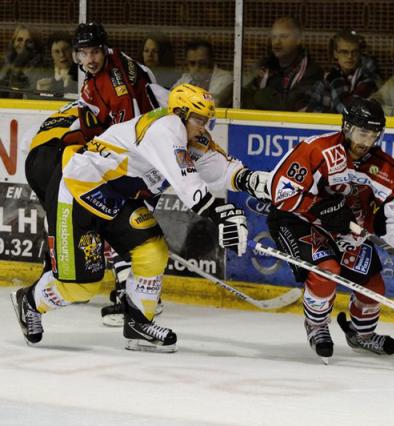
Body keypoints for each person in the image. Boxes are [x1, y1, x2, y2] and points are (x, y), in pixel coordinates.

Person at [10, 83, 270, 352]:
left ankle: (138, 323)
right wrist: (220, 213)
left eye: (207, 121)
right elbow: (187, 182)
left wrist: (253, 180)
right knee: (81, 287)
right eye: (199, 120)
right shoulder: (166, 128)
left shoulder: (188, 135)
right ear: (180, 113)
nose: (204, 127)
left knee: (152, 251)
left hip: (116, 199)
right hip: (79, 192)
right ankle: (29, 301)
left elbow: (219, 167)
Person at [266, 97, 394, 361]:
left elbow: (392, 217)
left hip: (348, 231)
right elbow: (281, 193)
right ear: (346, 128)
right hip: (299, 221)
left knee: (373, 287)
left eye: (373, 135)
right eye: (362, 133)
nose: (366, 142)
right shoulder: (317, 150)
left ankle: (362, 335)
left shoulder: (386, 170)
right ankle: (317, 325)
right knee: (327, 271)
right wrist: (320, 207)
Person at [73, 22, 169, 324]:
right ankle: (132, 294)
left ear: (104, 50)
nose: (89, 60)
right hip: (150, 156)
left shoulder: (116, 84)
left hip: (144, 162)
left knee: (123, 227)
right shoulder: (116, 66)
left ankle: (137, 300)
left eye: (94, 52)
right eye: (83, 53)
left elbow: (129, 135)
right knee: (123, 227)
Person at [242, 16, 323, 111]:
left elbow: (292, 107)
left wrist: (260, 95)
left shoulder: (311, 71)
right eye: (274, 37)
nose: (276, 42)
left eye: (284, 37)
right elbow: (244, 95)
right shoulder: (266, 66)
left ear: (299, 40)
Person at [307, 29, 381, 113]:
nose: (350, 56)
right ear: (335, 53)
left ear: (360, 53)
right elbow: (311, 109)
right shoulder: (328, 78)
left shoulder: (369, 77)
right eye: (344, 52)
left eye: (354, 52)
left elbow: (347, 109)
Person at [173, 40, 232, 107]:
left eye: (202, 63)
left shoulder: (224, 77)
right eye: (192, 63)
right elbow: (171, 98)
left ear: (211, 61)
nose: (196, 68)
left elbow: (212, 103)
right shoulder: (186, 77)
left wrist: (183, 97)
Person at [0, 24, 44, 98]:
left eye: (28, 42)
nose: (23, 44)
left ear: (36, 45)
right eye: (19, 40)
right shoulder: (4, 65)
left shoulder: (42, 69)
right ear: (13, 43)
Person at [34, 32, 77, 99]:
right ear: (51, 55)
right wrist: (39, 92)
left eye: (65, 49)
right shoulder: (42, 74)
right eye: (57, 51)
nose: (62, 55)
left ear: (72, 51)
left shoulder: (81, 73)